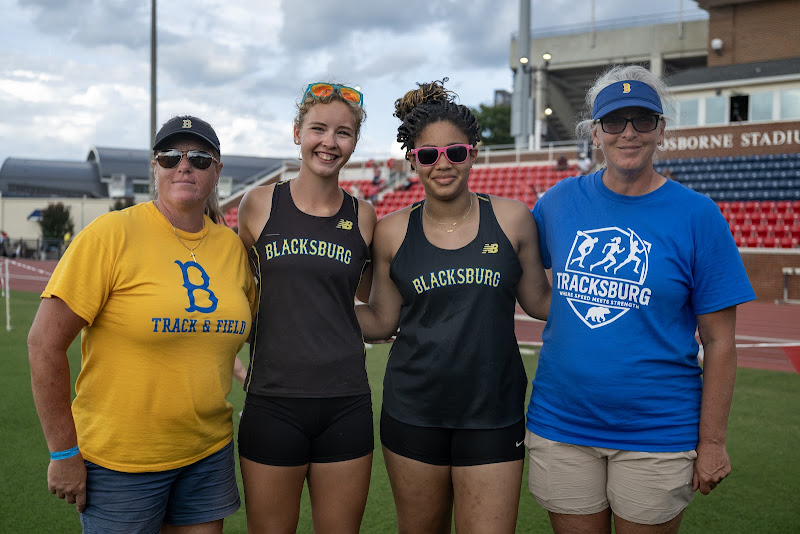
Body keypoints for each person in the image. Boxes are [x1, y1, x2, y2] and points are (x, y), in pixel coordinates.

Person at [524, 65, 756, 533]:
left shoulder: (698, 216)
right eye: (614, 122)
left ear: (661, 130)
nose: (628, 133)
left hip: (658, 432)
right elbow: (539, 294)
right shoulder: (557, 203)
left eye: (642, 120)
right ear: (596, 133)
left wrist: (711, 442)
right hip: (562, 425)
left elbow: (720, 341)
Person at [27, 115, 256, 533]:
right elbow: (43, 343)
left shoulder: (231, 247)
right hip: (121, 463)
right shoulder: (110, 234)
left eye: (200, 159)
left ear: (217, 171)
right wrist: (62, 453)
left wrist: (239, 368)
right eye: (171, 157)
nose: (184, 166)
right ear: (155, 167)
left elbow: (227, 328)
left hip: (208, 453)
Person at [356, 79, 551, 534]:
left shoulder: (512, 218)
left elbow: (540, 302)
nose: (442, 165)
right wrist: (304, 310)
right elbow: (383, 318)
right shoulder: (391, 232)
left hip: (494, 413)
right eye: (428, 155)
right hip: (412, 413)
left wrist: (624, 294)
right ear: (413, 161)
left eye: (455, 153)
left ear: (473, 153)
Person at [236, 82, 377, 533]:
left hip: (346, 402)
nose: (329, 143)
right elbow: (235, 297)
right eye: (318, 128)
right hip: (273, 402)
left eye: (343, 133)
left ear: (354, 142)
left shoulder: (365, 215)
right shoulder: (258, 204)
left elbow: (367, 302)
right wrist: (238, 371)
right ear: (297, 132)